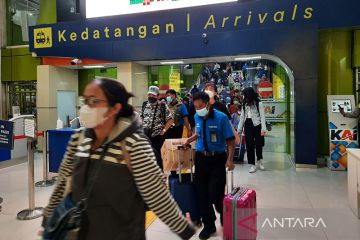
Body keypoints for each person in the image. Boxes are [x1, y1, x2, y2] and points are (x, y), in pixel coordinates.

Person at [41, 78, 195, 240]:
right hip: (80, 231)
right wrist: (48, 218)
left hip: (122, 233)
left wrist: (184, 228)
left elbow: (155, 194)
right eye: (85, 101)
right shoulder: (78, 140)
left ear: (114, 108)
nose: (86, 107)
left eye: (94, 101)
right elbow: (62, 184)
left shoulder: (133, 144)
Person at [184, 92, 235, 240]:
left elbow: (231, 141)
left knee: (215, 193)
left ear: (208, 104)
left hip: (218, 158)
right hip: (201, 158)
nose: (198, 109)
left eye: (200, 106)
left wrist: (230, 160)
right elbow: (199, 133)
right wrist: (190, 138)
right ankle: (209, 225)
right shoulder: (196, 116)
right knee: (202, 193)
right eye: (195, 106)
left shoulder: (221, 118)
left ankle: (224, 213)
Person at [140, 86, 174, 169]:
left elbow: (170, 120)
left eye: (153, 95)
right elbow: (141, 117)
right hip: (146, 136)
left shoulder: (162, 106)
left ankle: (160, 175)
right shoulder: (145, 104)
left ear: (158, 96)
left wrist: (164, 130)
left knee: (158, 158)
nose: (151, 97)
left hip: (158, 136)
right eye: (149, 95)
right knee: (146, 158)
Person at [237, 87, 267, 173]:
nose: (244, 97)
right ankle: (252, 164)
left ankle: (259, 160)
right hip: (248, 125)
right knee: (249, 145)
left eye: (245, 95)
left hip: (257, 125)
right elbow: (242, 117)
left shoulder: (259, 103)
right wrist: (239, 130)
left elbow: (262, 116)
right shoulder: (244, 104)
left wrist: (263, 129)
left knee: (259, 144)